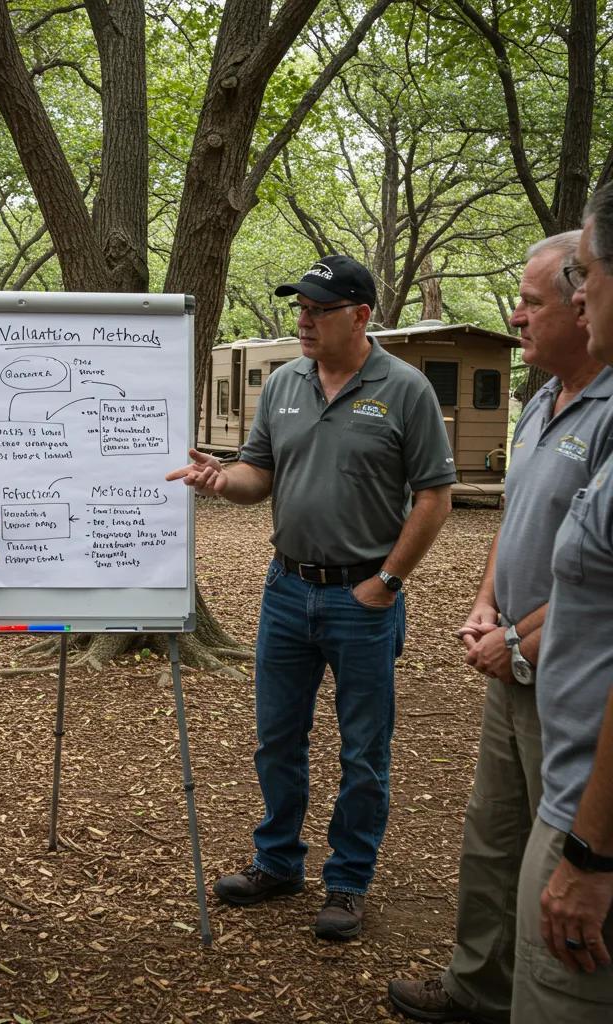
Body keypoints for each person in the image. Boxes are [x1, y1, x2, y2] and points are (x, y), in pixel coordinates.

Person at [168, 255, 454, 940]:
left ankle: (349, 881)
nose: (302, 318)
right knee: (277, 739)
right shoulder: (285, 384)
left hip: (363, 599)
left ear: (359, 316)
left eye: (317, 309)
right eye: (299, 306)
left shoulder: (406, 389)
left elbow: (435, 497)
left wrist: (386, 583)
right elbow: (256, 478)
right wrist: (218, 480)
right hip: (286, 588)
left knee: (363, 750)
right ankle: (279, 862)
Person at [388, 231, 613, 1023]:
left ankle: (539, 1000)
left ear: (582, 306)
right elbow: (516, 525)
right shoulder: (538, 405)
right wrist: (487, 606)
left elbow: (599, 585)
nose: (516, 316)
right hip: (511, 669)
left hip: (574, 684)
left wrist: (522, 639)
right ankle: (477, 989)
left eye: (530, 301)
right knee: (493, 841)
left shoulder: (610, 412)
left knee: (555, 859)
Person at [508, 184, 613, 1022]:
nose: (581, 294)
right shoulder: (539, 402)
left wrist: (589, 850)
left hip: (589, 805)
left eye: (590, 272)